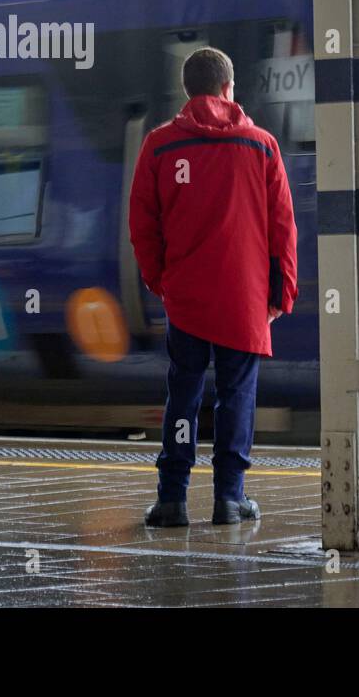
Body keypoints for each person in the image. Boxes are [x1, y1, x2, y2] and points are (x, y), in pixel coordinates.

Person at [129, 47, 298, 527]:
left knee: (183, 395)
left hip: (186, 298)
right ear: (229, 88)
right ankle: (229, 497)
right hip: (243, 299)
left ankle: (172, 499)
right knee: (236, 395)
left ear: (188, 89)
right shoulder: (261, 145)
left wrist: (161, 281)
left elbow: (142, 224)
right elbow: (282, 226)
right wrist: (279, 293)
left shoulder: (159, 146)